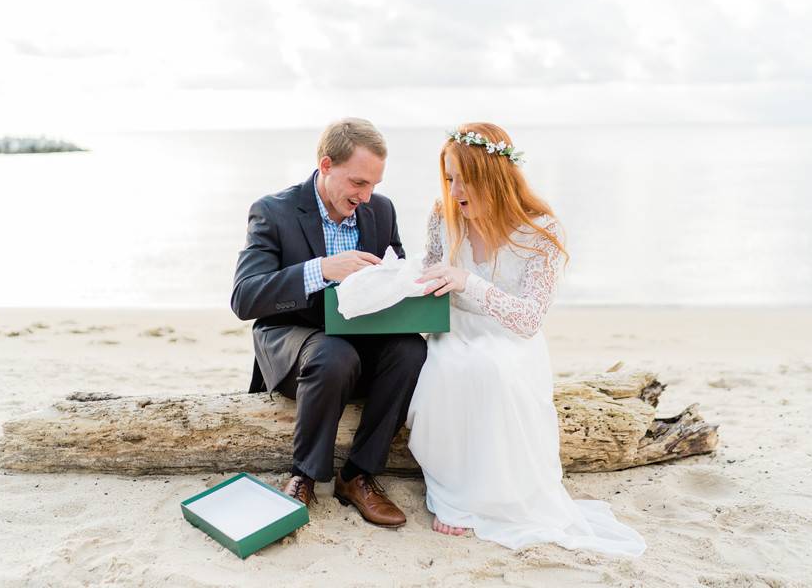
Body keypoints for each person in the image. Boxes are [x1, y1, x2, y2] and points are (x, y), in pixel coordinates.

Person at [406, 122, 647, 556]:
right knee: (449, 367)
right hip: (455, 331)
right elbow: (431, 270)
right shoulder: (443, 216)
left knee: (492, 368)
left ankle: (495, 497)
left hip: (510, 338)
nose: (455, 190)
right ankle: (453, 495)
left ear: (494, 176)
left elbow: (529, 319)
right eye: (448, 178)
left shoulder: (541, 232)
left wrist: (468, 283)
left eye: (465, 178)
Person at [231, 118, 427, 528]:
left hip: (360, 342)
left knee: (412, 348)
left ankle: (357, 476)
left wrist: (422, 284)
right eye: (358, 183)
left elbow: (395, 273)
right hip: (295, 342)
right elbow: (244, 297)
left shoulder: (380, 210)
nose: (367, 195)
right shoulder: (273, 211)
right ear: (326, 165)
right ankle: (304, 474)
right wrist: (321, 269)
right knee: (333, 352)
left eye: (373, 184)